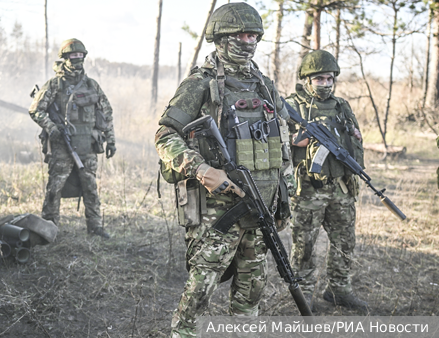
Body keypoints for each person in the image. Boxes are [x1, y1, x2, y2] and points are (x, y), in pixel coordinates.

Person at [154, 3, 292, 337]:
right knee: (201, 289)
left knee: (251, 294)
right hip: (218, 214)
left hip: (260, 209)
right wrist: (202, 170)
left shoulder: (264, 86)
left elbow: (281, 145)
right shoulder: (200, 85)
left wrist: (282, 196)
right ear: (222, 37)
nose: (248, 41)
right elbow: (164, 135)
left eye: (253, 35)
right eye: (241, 35)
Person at [285, 49, 367, 311]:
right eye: (319, 79)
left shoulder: (342, 105)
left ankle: (338, 290)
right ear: (307, 80)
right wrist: (296, 141)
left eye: (330, 79)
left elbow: (352, 137)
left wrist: (353, 136)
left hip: (341, 187)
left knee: (345, 241)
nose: (325, 84)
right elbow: (273, 144)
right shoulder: (291, 106)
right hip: (308, 190)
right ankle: (304, 296)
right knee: (304, 245)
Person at [29, 38, 115, 239]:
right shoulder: (54, 85)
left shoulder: (92, 85)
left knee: (91, 188)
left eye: (80, 56)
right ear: (65, 58)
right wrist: (52, 128)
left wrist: (111, 141)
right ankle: (48, 229)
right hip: (62, 147)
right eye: (73, 56)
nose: (77, 59)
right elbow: (35, 110)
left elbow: (107, 114)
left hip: (88, 147)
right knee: (55, 188)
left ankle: (95, 227)